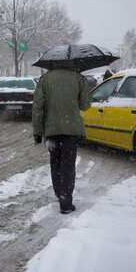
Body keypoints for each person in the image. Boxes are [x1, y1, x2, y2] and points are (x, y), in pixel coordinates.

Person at [32, 68, 92, 214]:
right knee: (68, 165)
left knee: (56, 163)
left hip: (52, 130)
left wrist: (38, 131)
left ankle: (59, 193)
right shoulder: (78, 78)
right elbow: (85, 105)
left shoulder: (45, 79)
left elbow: (38, 107)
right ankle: (66, 202)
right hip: (71, 129)